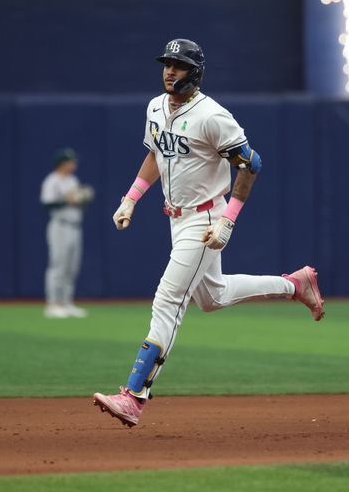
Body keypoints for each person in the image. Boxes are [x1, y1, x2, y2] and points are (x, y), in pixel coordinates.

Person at [92, 39, 325, 427]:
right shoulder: (155, 106)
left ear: (195, 72)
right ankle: (295, 285)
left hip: (205, 220)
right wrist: (131, 197)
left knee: (168, 300)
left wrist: (227, 221)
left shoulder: (212, 116)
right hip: (176, 218)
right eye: (167, 63)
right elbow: (155, 152)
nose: (170, 71)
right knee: (212, 296)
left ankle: (134, 397)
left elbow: (251, 164)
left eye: (179, 65)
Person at [40, 148, 95, 318]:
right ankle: (53, 304)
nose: (73, 164)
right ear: (62, 163)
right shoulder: (52, 181)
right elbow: (47, 203)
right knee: (58, 265)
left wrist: (82, 199)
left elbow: (77, 202)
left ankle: (66, 302)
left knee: (72, 266)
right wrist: (66, 199)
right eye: (70, 161)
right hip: (60, 226)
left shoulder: (72, 180)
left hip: (75, 226)